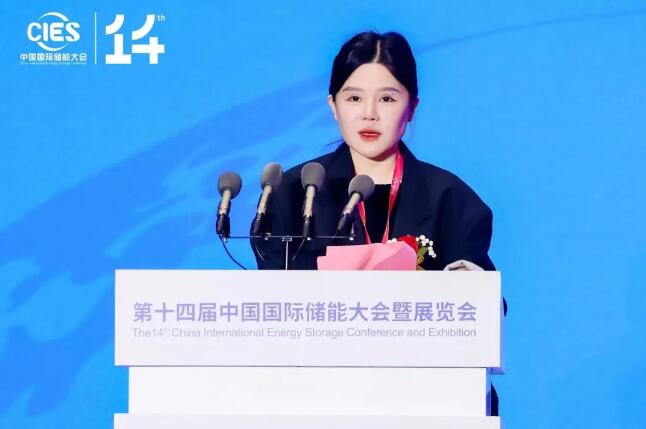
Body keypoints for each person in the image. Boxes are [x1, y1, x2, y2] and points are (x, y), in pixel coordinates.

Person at [250, 31, 495, 273]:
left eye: (387, 99)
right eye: (354, 98)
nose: (369, 114)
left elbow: (480, 294)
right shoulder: (293, 193)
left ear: (412, 108)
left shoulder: (451, 199)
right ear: (333, 105)